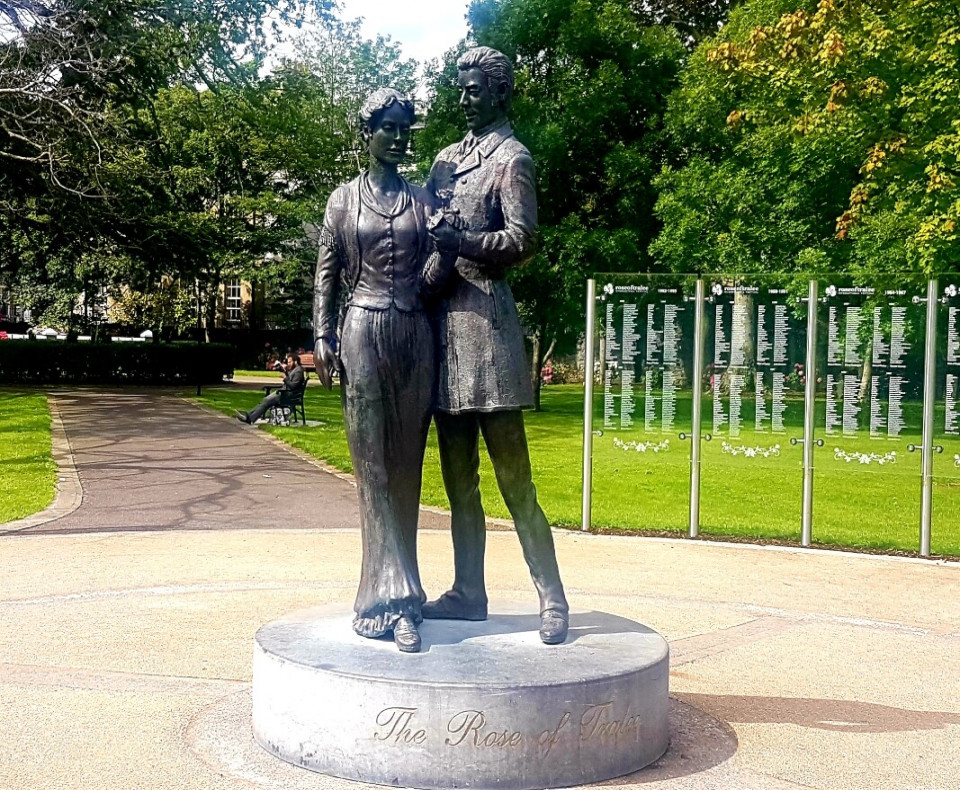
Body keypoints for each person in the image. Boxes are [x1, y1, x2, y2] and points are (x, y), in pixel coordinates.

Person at [423, 47, 570, 644]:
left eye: (477, 88)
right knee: (459, 480)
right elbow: (429, 240)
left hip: (488, 331)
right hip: (444, 331)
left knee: (515, 480)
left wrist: (463, 241)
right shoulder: (444, 161)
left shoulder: (513, 160)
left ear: (501, 93)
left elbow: (523, 240)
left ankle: (552, 595)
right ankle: (467, 591)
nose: (465, 98)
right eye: (462, 87)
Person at [313, 88, 448, 654]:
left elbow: (437, 275)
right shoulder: (343, 200)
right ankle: (388, 603)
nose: (397, 137)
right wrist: (321, 333)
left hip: (414, 335)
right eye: (388, 127)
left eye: (405, 128)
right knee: (372, 469)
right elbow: (326, 271)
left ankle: (403, 596)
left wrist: (443, 250)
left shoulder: (422, 201)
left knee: (406, 469)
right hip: (363, 331)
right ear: (367, 132)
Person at [236, 352, 305, 424]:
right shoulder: (295, 370)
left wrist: (285, 378)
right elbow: (291, 381)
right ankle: (248, 416)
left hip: (289, 396)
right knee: (265, 400)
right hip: (286, 393)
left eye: (290, 362)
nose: (288, 364)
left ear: (296, 362)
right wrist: (285, 371)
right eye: (288, 362)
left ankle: (249, 418)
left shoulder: (298, 371)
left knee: (266, 401)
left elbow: (293, 386)